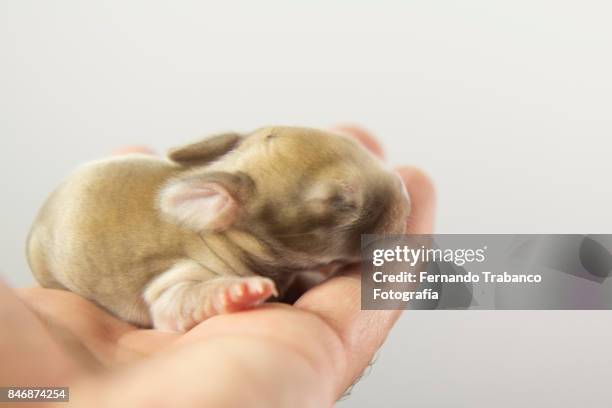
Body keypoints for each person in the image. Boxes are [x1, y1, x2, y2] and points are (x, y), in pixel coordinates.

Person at [0, 126, 435, 407]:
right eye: (340, 203)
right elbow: (168, 306)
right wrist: (213, 294)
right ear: (220, 206)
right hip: (59, 248)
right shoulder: (208, 247)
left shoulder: (248, 231)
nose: (396, 201)